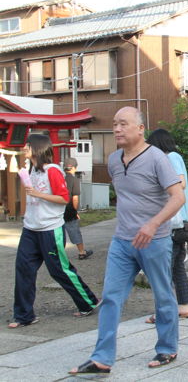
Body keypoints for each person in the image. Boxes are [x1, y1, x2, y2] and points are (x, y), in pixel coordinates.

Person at [70, 107, 184, 375]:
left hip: (154, 240)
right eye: (114, 124)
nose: (117, 129)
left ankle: (167, 347)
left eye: (123, 124)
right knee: (110, 297)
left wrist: (153, 223)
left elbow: (178, 197)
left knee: (162, 294)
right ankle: (102, 358)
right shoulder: (113, 160)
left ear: (140, 128)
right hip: (122, 241)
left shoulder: (157, 158)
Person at [9, 135, 100, 329]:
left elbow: (64, 198)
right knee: (23, 270)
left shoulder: (53, 170)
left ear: (37, 148)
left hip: (50, 229)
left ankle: (88, 301)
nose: (24, 147)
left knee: (59, 270)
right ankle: (24, 315)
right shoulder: (31, 170)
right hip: (30, 228)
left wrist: (37, 193)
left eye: (28, 145)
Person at [145, 128, 188, 323]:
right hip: (180, 221)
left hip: (172, 222)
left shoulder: (170, 157)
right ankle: (183, 307)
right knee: (177, 268)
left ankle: (164, 311)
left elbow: (178, 183)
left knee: (163, 268)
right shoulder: (175, 156)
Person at [62, 157, 93, 260]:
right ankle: (81, 252)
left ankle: (57, 253)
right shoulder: (74, 180)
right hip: (69, 210)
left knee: (59, 233)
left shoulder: (61, 179)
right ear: (74, 168)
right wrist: (75, 211)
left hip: (58, 210)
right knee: (74, 231)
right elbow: (75, 199)